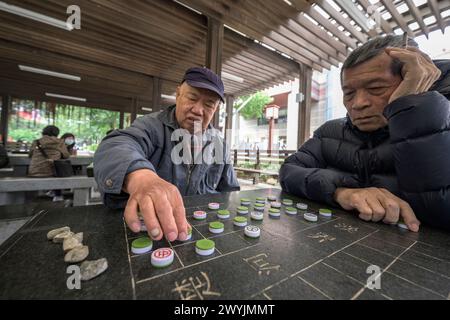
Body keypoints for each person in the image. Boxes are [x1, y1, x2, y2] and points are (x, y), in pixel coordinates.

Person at [280, 34, 450, 232]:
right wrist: (342, 192)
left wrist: (412, 109)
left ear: (415, 81)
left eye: (376, 88)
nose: (358, 104)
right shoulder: (330, 131)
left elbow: (441, 212)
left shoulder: (440, 124)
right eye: (349, 93)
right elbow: (289, 171)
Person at [94, 67, 240, 242]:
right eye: (192, 98)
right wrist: (141, 178)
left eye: (209, 105)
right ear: (178, 94)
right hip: (150, 230)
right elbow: (116, 145)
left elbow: (230, 192)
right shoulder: (151, 126)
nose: (198, 110)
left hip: (202, 231)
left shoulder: (219, 144)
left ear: (215, 109)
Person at [28, 125, 71, 201]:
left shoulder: (36, 142)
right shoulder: (60, 142)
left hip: (34, 172)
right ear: (57, 133)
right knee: (60, 171)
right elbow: (66, 155)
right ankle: (58, 195)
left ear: (44, 132)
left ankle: (31, 198)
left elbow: (30, 155)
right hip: (52, 172)